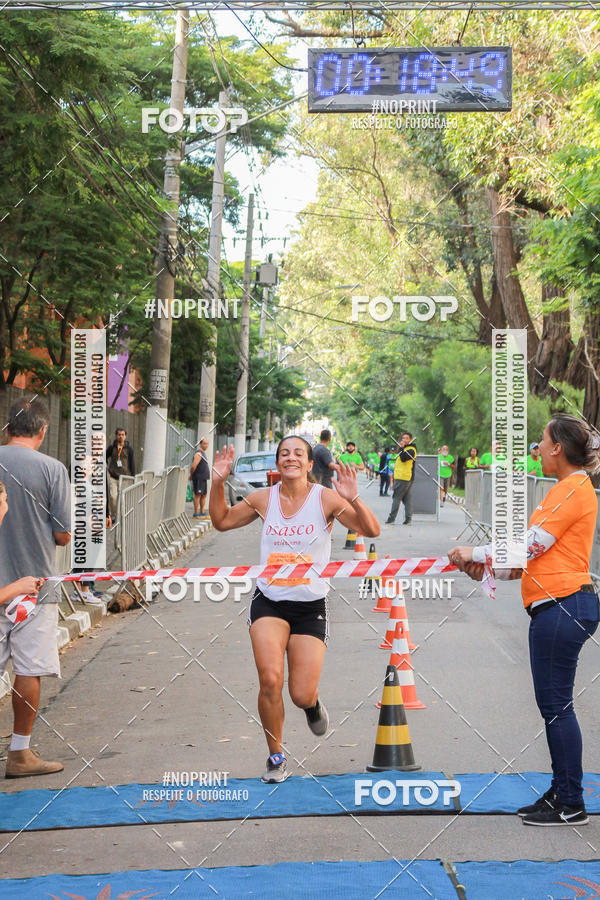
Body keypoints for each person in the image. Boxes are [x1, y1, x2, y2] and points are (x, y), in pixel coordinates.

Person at [449, 414, 600, 826]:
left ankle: (570, 801)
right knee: (554, 707)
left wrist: (476, 553)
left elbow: (529, 547)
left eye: (543, 440)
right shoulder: (564, 489)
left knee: (556, 707)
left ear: (557, 448)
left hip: (564, 606)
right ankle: (562, 791)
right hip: (560, 604)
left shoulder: (572, 490)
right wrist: (485, 568)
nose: (537, 447)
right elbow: (527, 562)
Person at [210, 435, 380, 783]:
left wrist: (354, 499)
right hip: (269, 602)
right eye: (284, 453)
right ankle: (275, 756)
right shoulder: (262, 499)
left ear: (307, 463)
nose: (291, 458)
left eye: (297, 454)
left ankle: (313, 704)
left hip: (310, 606)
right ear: (278, 463)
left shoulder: (326, 499)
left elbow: (371, 530)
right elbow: (222, 521)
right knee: (270, 679)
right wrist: (217, 481)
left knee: (300, 693)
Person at [0, 398, 70, 778]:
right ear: (42, 431)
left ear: (8, 427)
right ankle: (20, 753)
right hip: (35, 588)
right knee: (28, 670)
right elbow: (62, 536)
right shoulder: (52, 470)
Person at [385, 432, 417, 526]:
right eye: (403, 438)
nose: (404, 440)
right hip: (402, 477)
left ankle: (391, 519)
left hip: (404, 477)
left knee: (396, 497)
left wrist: (402, 448)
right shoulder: (405, 449)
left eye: (406, 438)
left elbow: (403, 458)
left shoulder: (411, 450)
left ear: (410, 440)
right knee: (407, 499)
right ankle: (408, 519)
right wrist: (401, 448)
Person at [106, 428, 135, 519]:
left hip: (125, 478)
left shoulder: (129, 449)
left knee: (123, 498)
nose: (121, 436)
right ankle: (115, 515)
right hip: (113, 477)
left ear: (125, 436)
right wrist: (107, 469)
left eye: (122, 435)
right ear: (116, 435)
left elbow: (132, 463)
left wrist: (133, 477)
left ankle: (123, 515)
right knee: (113, 497)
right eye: (119, 434)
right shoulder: (112, 448)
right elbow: (104, 457)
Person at [190, 438, 210, 517]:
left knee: (204, 495)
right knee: (198, 494)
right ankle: (196, 513)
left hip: (204, 478)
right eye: (204, 443)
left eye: (207, 443)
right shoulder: (198, 454)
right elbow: (193, 466)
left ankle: (202, 512)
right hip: (199, 477)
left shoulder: (203, 453)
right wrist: (191, 475)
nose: (206, 445)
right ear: (200, 444)